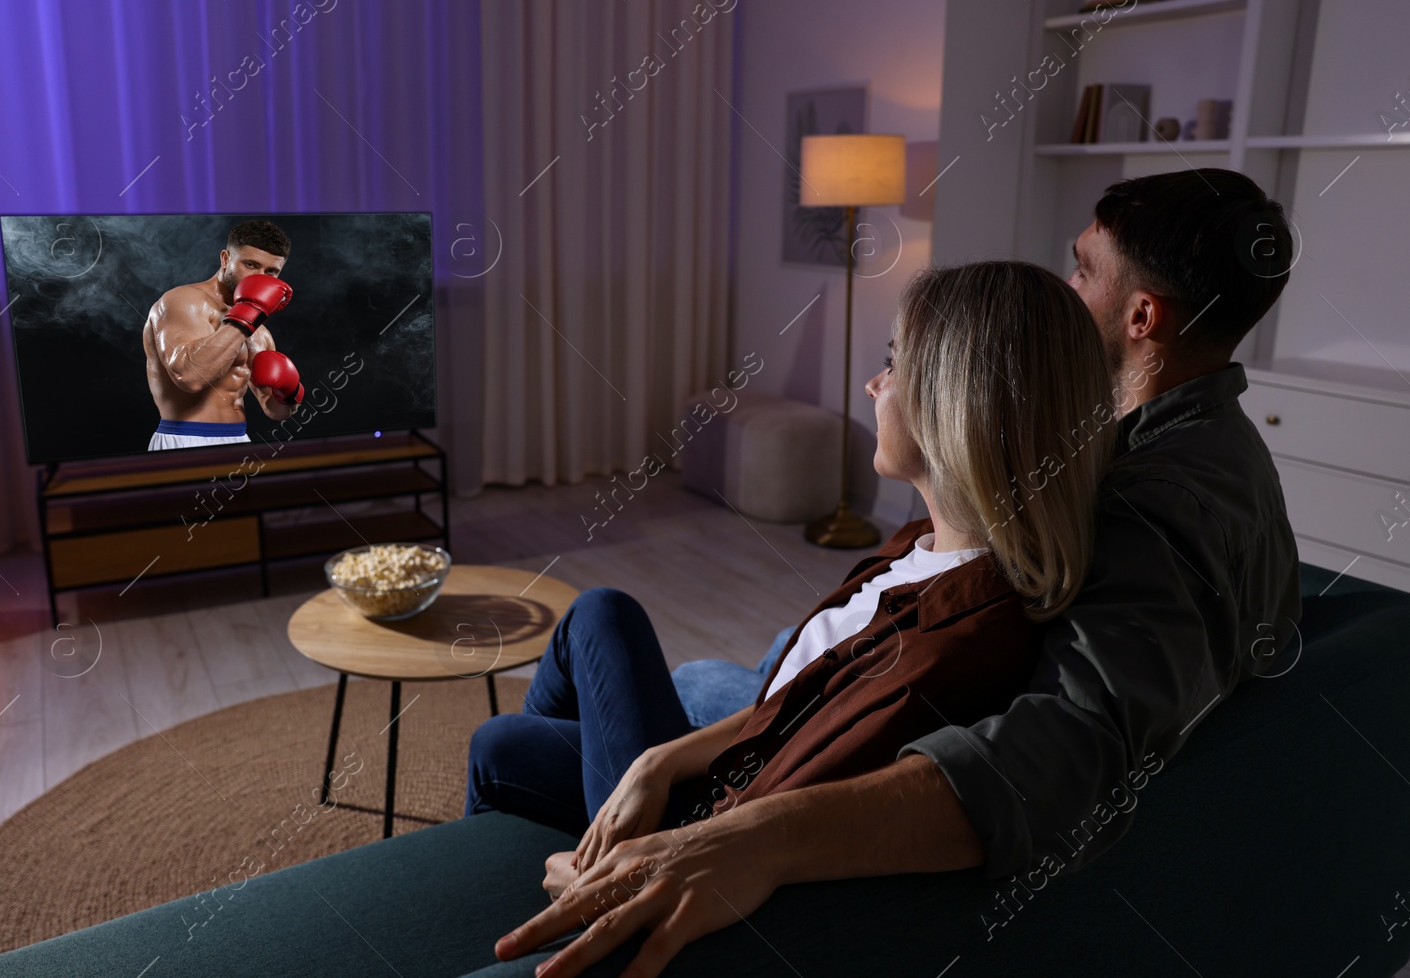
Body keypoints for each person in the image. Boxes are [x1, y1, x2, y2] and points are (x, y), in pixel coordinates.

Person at [489, 167, 1300, 978]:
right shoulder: (1215, 448)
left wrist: (751, 837)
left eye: (1083, 269)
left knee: (604, 660)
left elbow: (1070, 749)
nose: (1063, 285)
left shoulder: (1148, 502)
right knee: (600, 703)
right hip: (817, 689)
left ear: (1142, 316)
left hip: (812, 735)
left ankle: (537, 889)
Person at [469, 260, 1119, 967]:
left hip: (706, 828)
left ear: (953, 402)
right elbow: (788, 712)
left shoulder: (951, 644)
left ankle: (517, 914)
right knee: (508, 733)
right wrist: (658, 759)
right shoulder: (920, 546)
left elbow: (760, 823)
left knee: (586, 629)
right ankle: (516, 873)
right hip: (724, 773)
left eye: (891, 362)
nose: (873, 383)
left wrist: (622, 872)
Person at [142, 219, 306, 450]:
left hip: (239, 440)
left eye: (271, 271)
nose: (260, 277)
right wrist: (248, 314)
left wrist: (290, 393)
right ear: (226, 259)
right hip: (185, 440)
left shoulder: (261, 332)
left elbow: (274, 411)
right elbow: (189, 377)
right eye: (250, 264)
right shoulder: (183, 301)